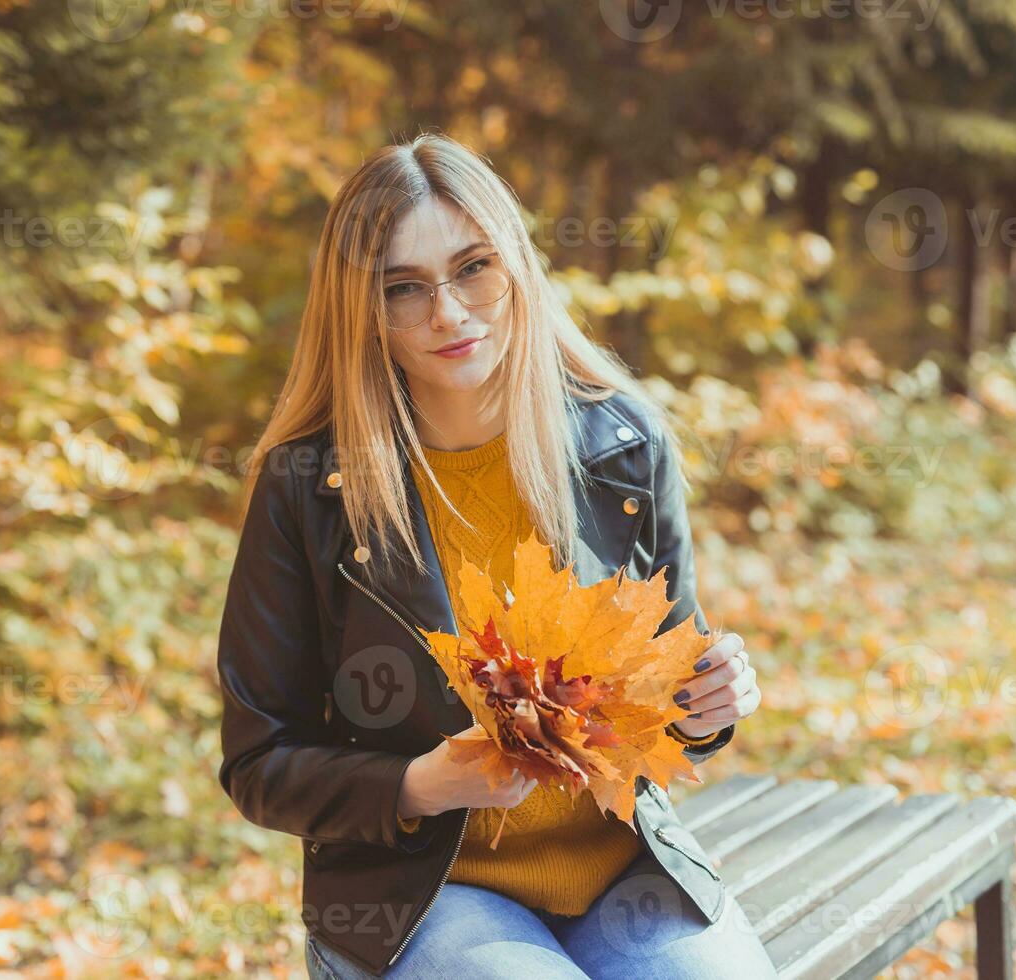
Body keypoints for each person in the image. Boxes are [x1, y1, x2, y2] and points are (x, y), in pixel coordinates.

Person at [217, 132, 774, 979]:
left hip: (622, 869)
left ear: (516, 265)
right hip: (421, 893)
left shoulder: (622, 446)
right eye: (403, 288)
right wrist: (418, 786)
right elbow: (260, 760)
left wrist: (709, 708)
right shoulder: (309, 484)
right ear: (361, 308)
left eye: (474, 266)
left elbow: (668, 702)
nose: (448, 312)